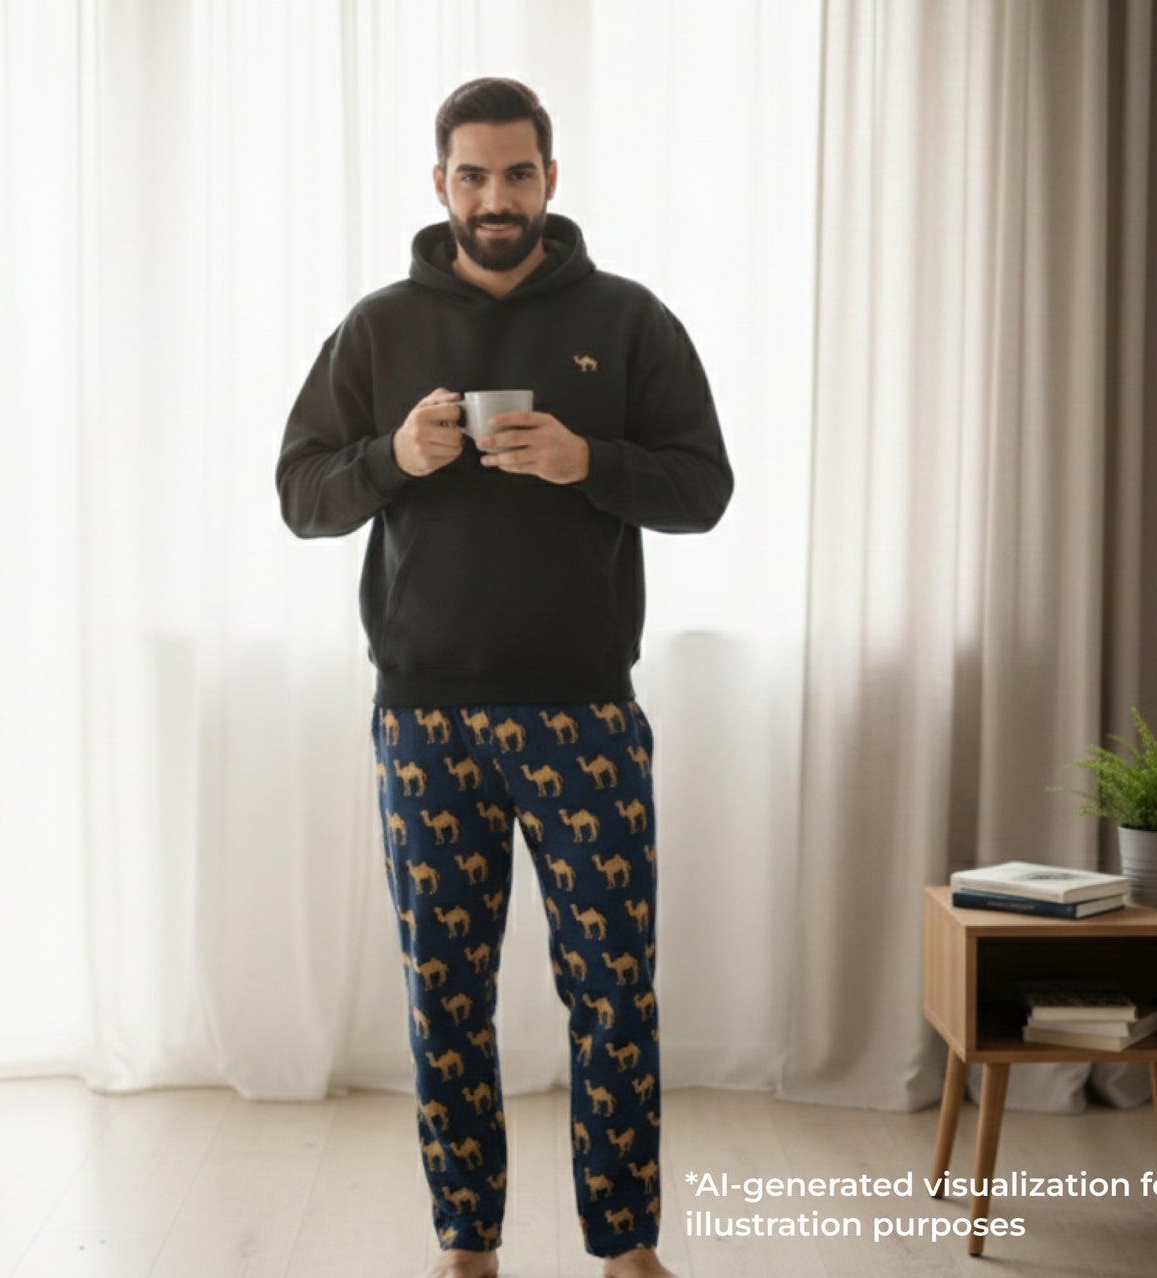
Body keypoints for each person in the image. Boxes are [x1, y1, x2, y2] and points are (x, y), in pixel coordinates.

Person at [277, 77, 731, 1278]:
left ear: (550, 180)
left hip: (583, 709)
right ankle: (464, 1243)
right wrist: (394, 456)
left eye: (517, 174)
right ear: (439, 184)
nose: (494, 198)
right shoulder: (378, 328)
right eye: (471, 175)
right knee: (445, 1001)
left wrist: (589, 461)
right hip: (423, 719)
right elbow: (301, 497)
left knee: (612, 997)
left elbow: (703, 490)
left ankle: (625, 1249)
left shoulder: (628, 320)